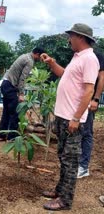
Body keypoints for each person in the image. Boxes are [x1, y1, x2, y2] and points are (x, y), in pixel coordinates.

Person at [40, 23, 99, 211]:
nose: (69, 39)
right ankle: (60, 190)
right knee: (63, 156)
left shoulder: (89, 59)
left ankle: (65, 200)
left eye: (71, 36)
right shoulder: (77, 57)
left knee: (70, 159)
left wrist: (76, 118)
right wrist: (51, 63)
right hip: (64, 117)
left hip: (72, 119)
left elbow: (89, 90)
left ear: (80, 37)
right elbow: (65, 75)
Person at [0, 47, 45, 141]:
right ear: (37, 54)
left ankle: (2, 136)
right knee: (15, 112)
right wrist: (21, 94)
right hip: (10, 85)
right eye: (41, 57)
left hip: (5, 83)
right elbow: (23, 78)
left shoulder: (24, 56)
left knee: (6, 112)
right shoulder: (30, 61)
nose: (41, 60)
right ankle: (12, 137)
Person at [77, 52, 104, 178]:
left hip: (89, 100)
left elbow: (102, 76)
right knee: (78, 132)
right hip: (78, 101)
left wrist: (96, 99)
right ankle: (78, 162)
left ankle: (83, 166)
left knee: (86, 133)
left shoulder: (96, 56)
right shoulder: (78, 56)